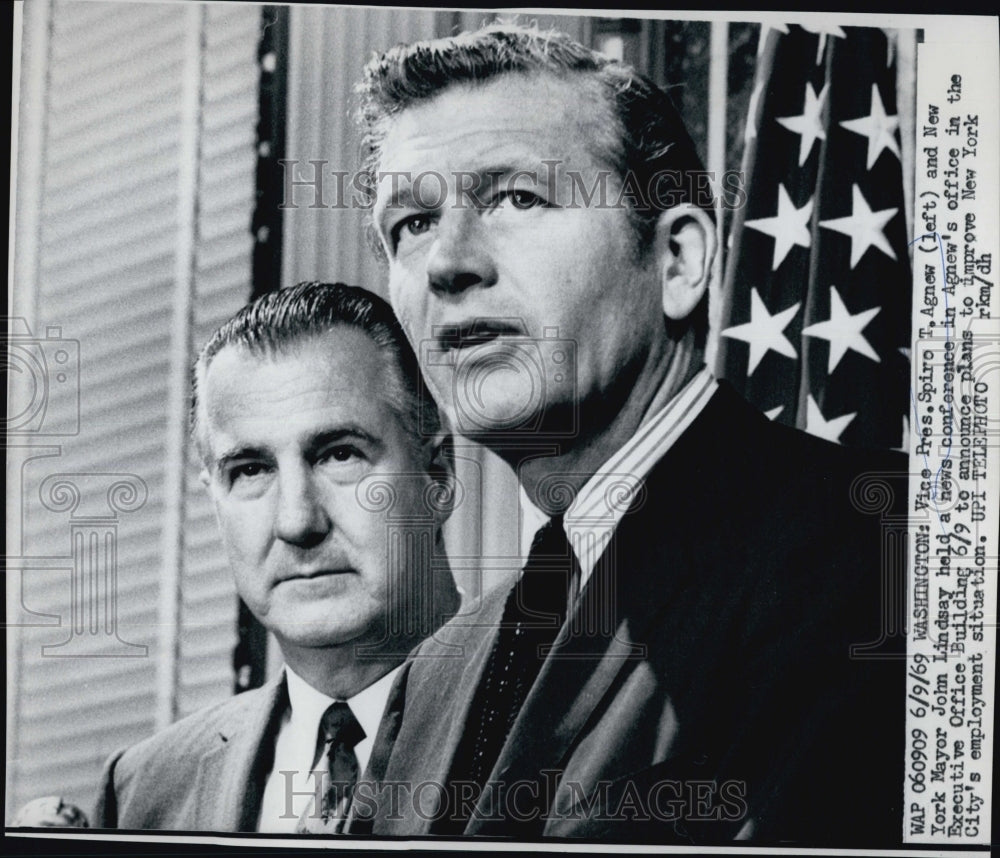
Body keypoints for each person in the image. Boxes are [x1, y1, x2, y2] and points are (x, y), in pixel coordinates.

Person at [350, 23, 907, 843]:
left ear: (678, 260)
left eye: (515, 197)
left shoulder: (883, 546)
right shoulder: (432, 677)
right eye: (412, 224)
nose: (447, 263)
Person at [94, 282, 459, 832]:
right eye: (250, 470)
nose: (296, 521)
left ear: (438, 476)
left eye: (340, 454)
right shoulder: (141, 792)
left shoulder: (566, 724)